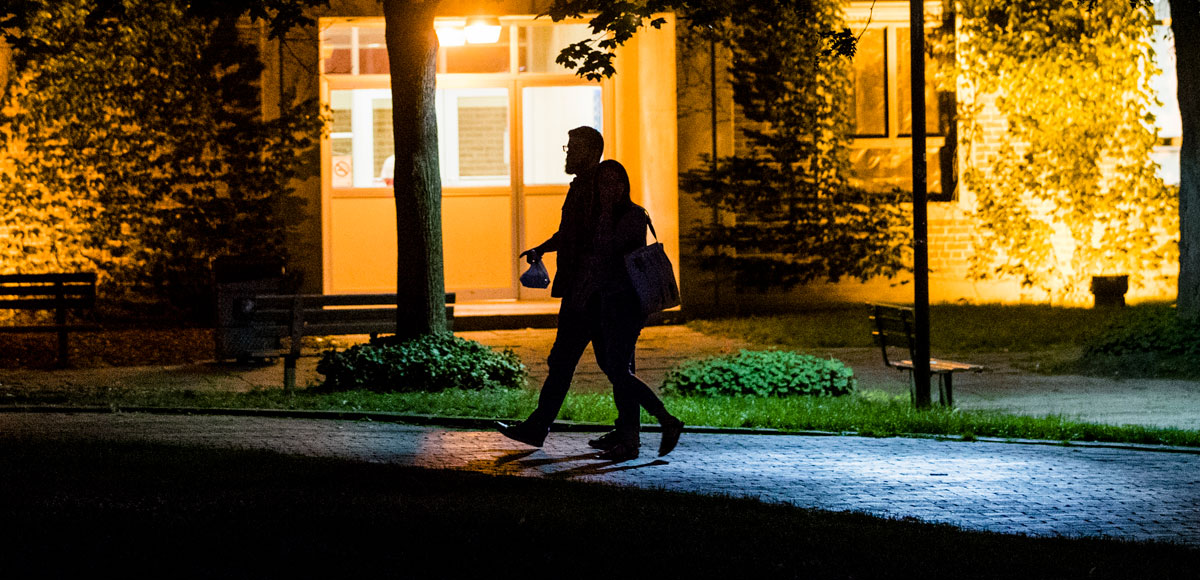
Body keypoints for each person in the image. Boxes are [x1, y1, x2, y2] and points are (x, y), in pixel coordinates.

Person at [496, 127, 683, 461]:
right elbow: (572, 235)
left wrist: (583, 291)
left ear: (592, 150)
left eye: (574, 147)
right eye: (568, 146)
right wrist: (544, 247)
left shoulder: (598, 191)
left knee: (588, 363)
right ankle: (625, 434)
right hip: (588, 294)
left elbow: (599, 250)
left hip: (596, 297)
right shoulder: (585, 188)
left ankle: (622, 433)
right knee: (607, 366)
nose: (567, 153)